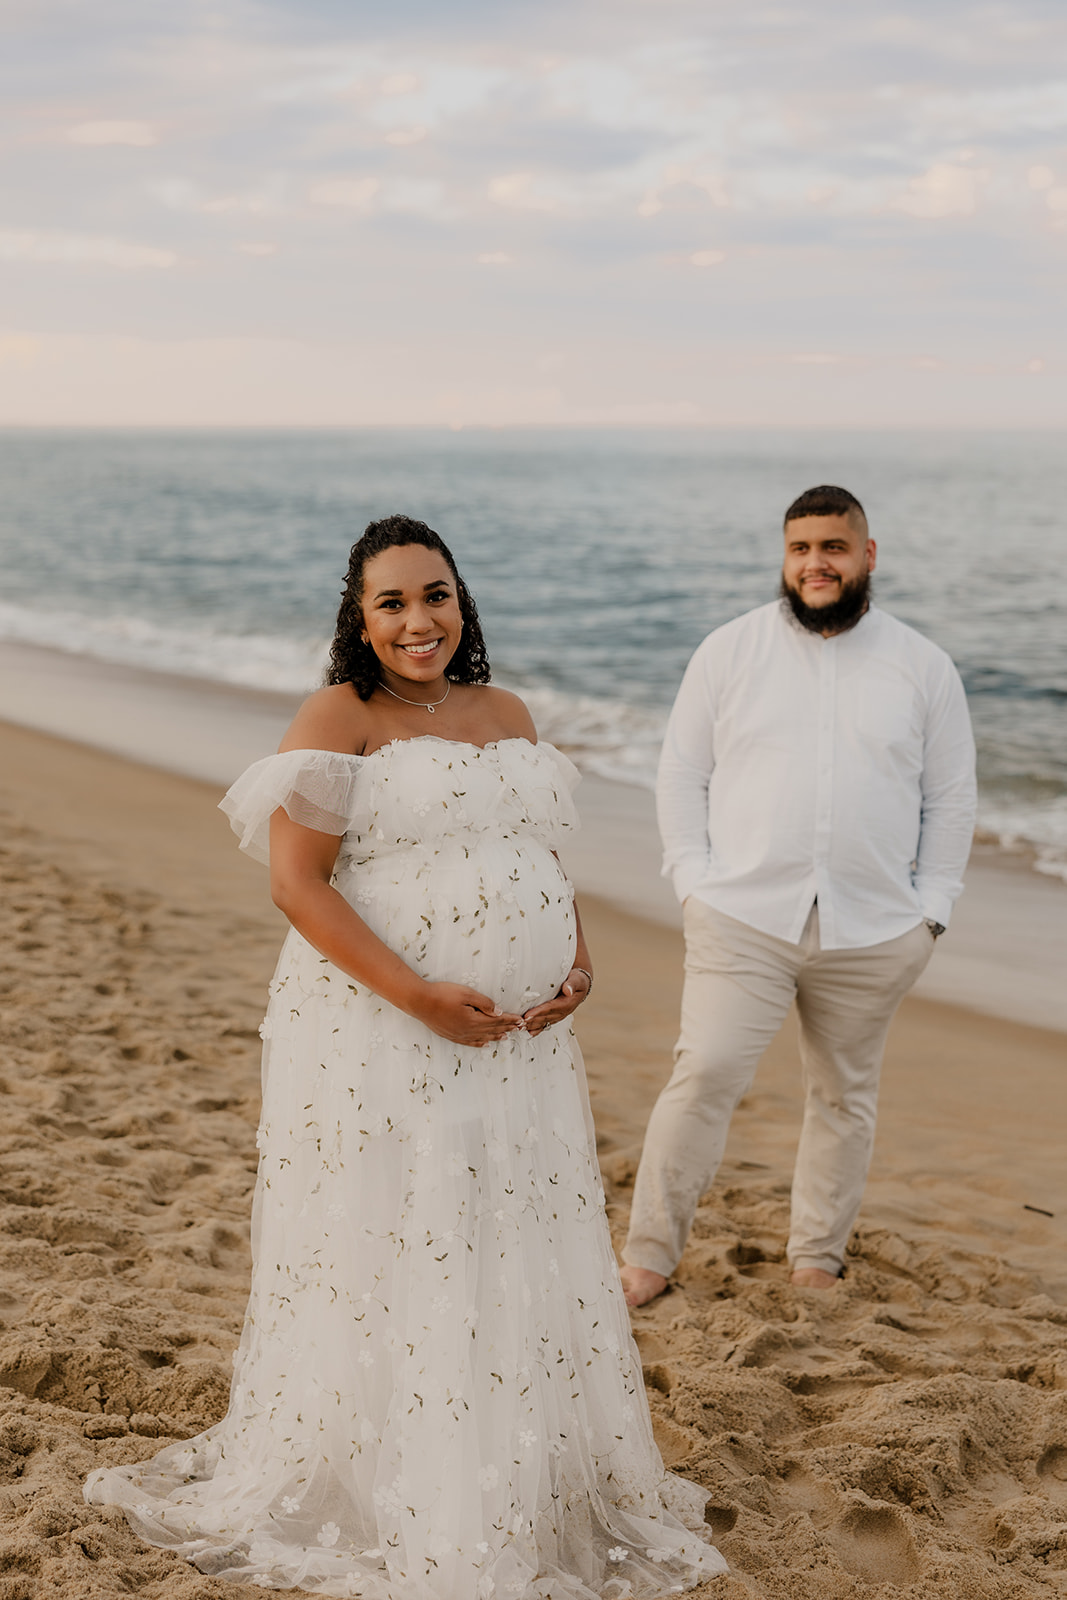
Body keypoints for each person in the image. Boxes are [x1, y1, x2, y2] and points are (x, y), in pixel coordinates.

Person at [85, 515, 726, 1599]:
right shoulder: (341, 715)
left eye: (434, 594)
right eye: (391, 602)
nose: (418, 619)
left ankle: (516, 1454)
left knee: (504, 1224)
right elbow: (297, 884)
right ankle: (407, 1471)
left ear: (460, 598)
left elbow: (535, 853)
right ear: (359, 617)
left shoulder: (507, 711)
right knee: (406, 1224)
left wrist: (572, 957)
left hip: (518, 1046)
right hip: (386, 1031)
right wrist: (420, 995)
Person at [620, 485, 977, 1309]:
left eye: (832, 547)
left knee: (843, 1096)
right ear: (785, 557)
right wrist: (691, 881)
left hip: (876, 928)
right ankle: (648, 1256)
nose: (815, 563)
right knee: (702, 1072)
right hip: (740, 915)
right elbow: (682, 773)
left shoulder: (922, 667)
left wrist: (932, 911)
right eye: (800, 548)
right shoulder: (728, 651)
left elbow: (950, 798)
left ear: (866, 556)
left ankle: (816, 1256)